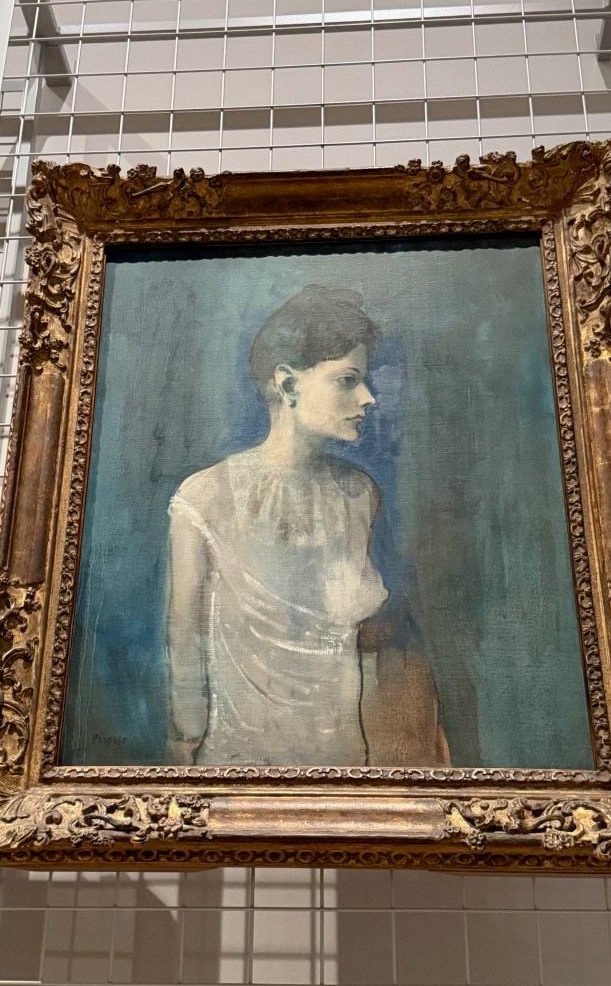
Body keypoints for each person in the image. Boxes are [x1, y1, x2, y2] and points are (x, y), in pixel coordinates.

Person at [165, 285, 448, 767]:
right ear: (288, 385)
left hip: (344, 764)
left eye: (364, 381)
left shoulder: (360, 495)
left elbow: (371, 643)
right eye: (348, 380)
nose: (368, 398)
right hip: (237, 769)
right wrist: (181, 763)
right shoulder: (204, 497)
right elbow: (185, 651)